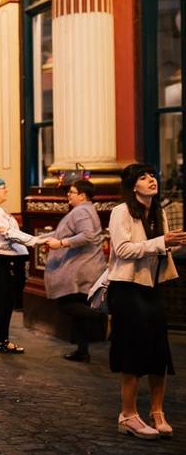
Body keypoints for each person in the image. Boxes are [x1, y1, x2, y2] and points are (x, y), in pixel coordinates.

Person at [107, 163, 186, 439]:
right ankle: (127, 415)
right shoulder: (121, 211)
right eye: (143, 177)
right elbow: (123, 249)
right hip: (127, 288)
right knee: (133, 350)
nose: (151, 180)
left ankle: (157, 412)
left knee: (159, 350)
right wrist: (162, 241)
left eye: (152, 175)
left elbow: (159, 246)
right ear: (132, 186)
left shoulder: (158, 211)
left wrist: (173, 242)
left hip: (151, 287)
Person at [0, 175, 47, 361]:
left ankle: (2, 342)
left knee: (6, 302)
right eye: (3, 187)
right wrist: (36, 240)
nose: (6, 190)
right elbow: (8, 232)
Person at [43, 179, 108, 362]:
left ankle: (104, 317)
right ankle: (82, 350)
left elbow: (86, 235)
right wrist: (40, 239)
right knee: (80, 310)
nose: (68, 195)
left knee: (65, 304)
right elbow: (64, 234)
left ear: (82, 195)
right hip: (84, 267)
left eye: (71, 192)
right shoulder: (85, 210)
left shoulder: (81, 211)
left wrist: (61, 243)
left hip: (81, 269)